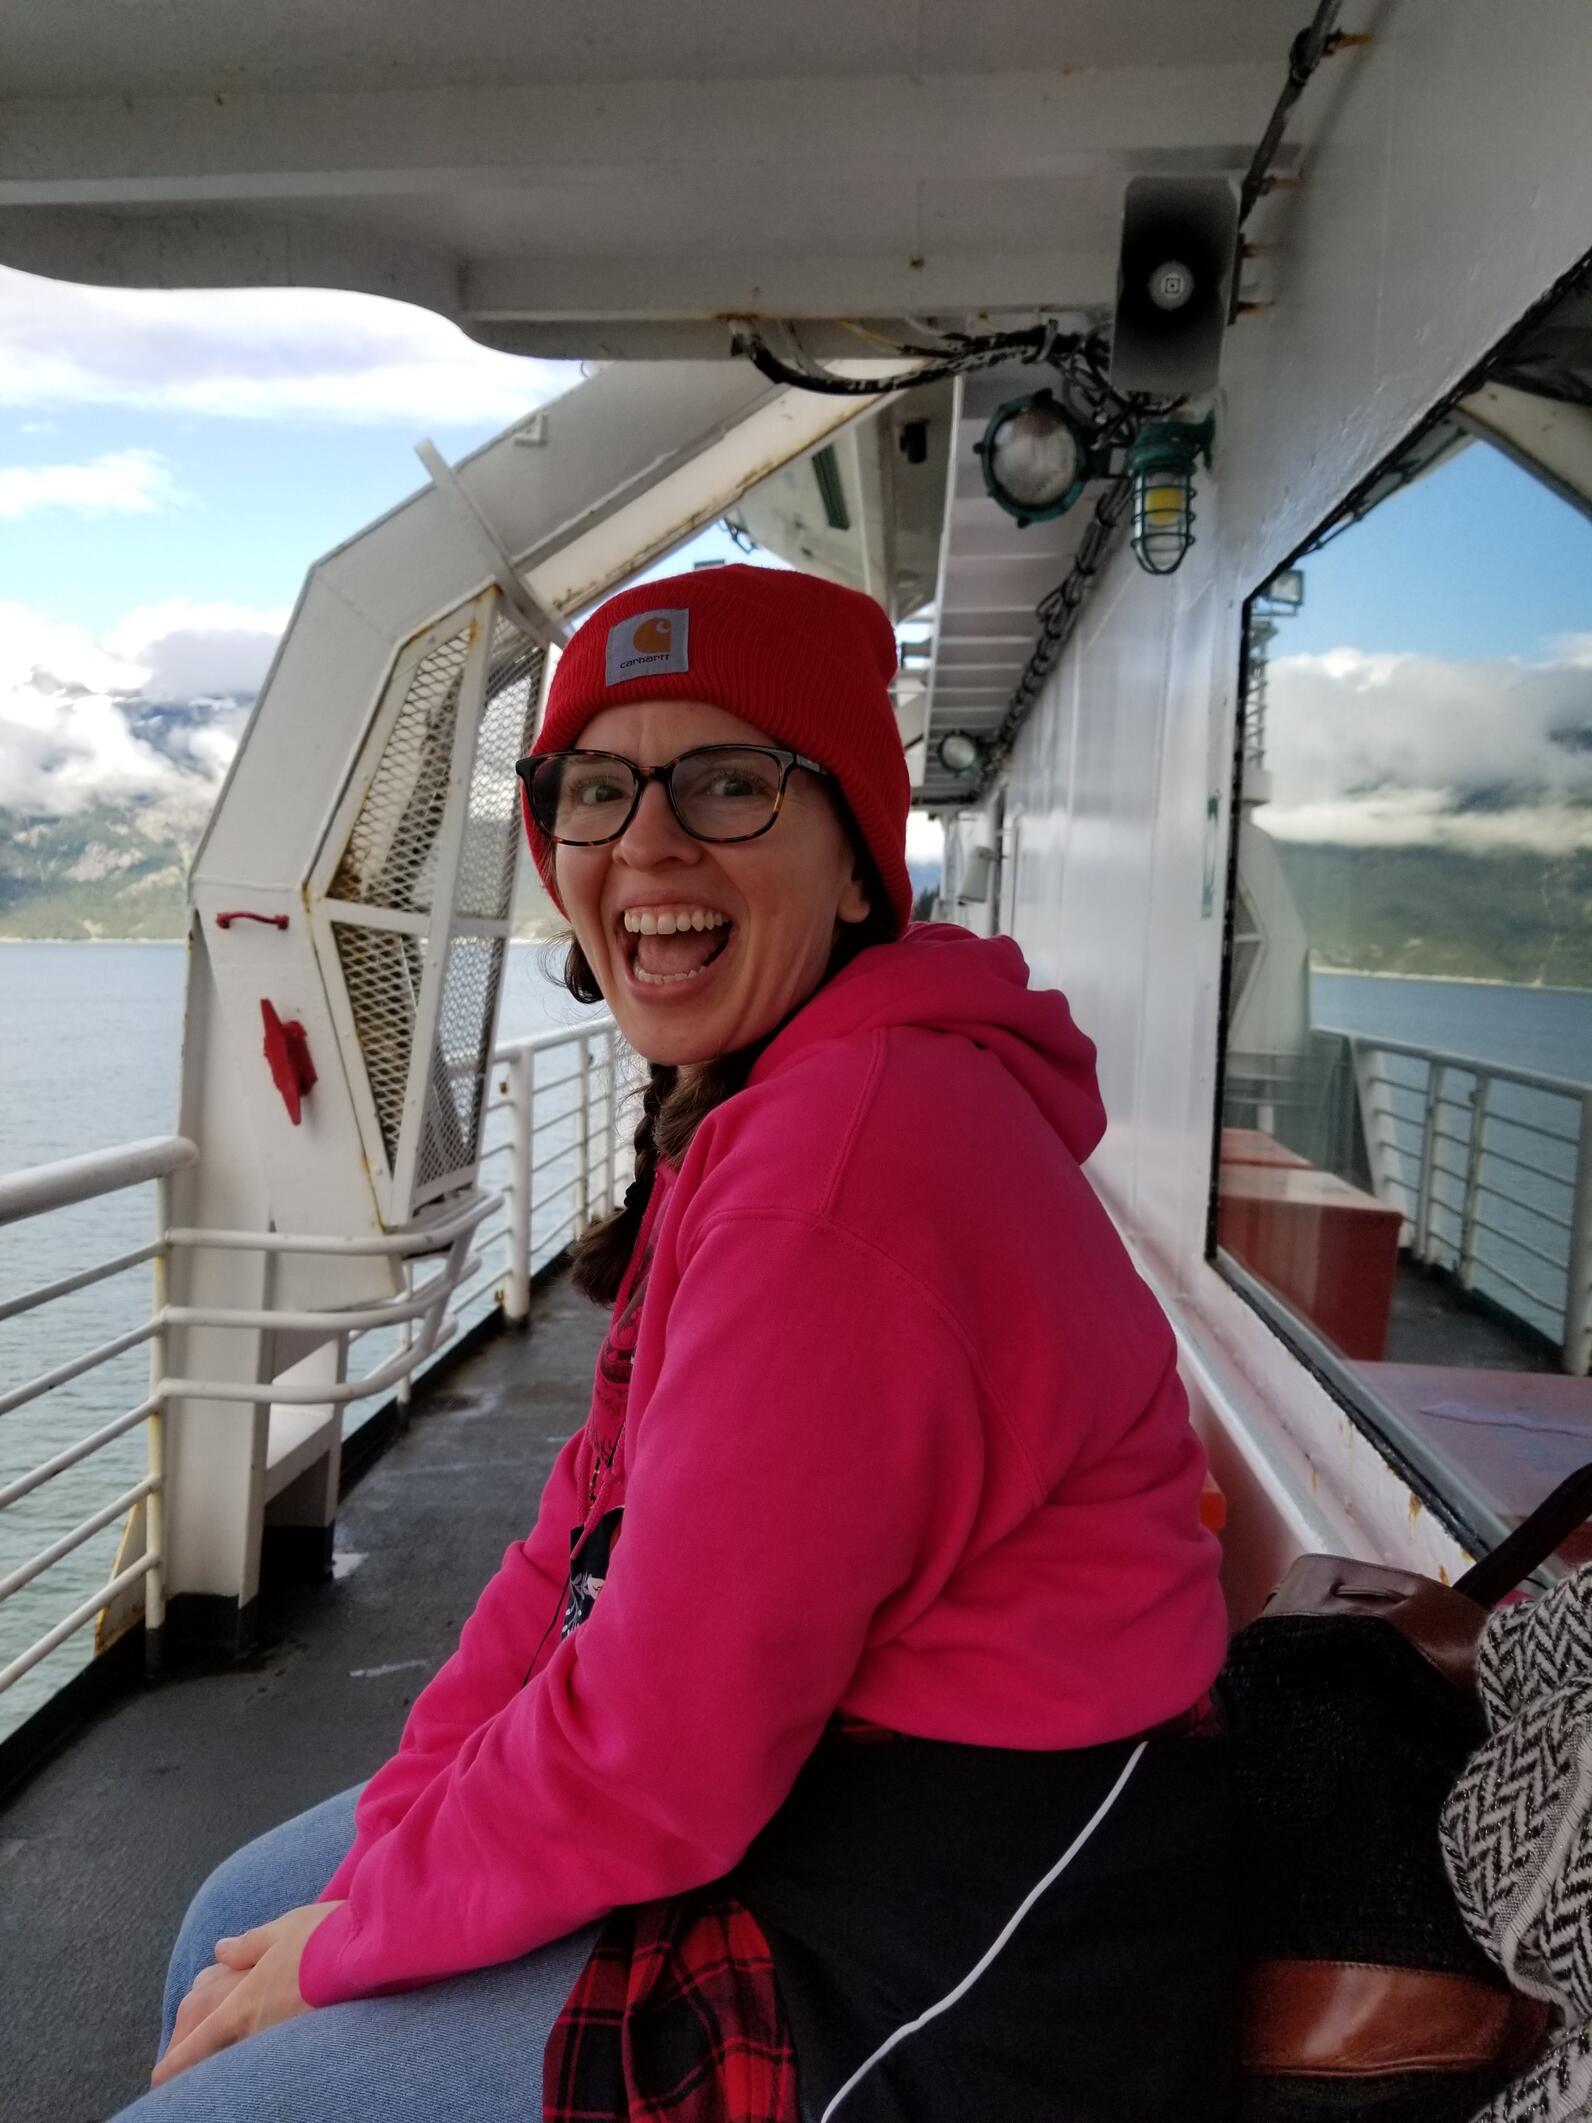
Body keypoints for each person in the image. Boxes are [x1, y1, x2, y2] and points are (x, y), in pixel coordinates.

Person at [121, 564, 1233, 2122]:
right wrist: (388, 1859)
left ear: (857, 866)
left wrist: (350, 1947)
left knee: (228, 2076)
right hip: (811, 1783)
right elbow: (576, 1542)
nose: (646, 839)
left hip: (966, 1921)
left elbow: (663, 1749)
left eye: (727, 783)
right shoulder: (763, 1116)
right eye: (598, 788)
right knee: (239, 1913)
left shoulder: (851, 1164)